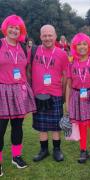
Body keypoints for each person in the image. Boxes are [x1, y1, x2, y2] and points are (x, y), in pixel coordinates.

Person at [0, 15, 36, 176]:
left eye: (17, 28)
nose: (14, 30)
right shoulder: (0, 44)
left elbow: (26, 70)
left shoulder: (23, 48)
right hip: (2, 91)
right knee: (0, 129)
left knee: (17, 126)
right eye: (11, 27)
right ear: (5, 28)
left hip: (19, 91)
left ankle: (16, 156)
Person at [66, 33, 90, 163]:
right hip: (77, 96)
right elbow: (69, 85)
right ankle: (83, 150)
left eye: (84, 44)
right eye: (79, 44)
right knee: (82, 125)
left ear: (89, 46)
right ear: (74, 47)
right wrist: (67, 102)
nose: (82, 47)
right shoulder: (71, 63)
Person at [31, 25, 68, 162]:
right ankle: (44, 150)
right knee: (42, 126)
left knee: (56, 126)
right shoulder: (33, 51)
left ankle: (57, 150)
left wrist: (63, 95)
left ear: (55, 36)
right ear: (40, 36)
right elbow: (28, 70)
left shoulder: (62, 54)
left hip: (55, 94)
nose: (47, 38)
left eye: (50, 35)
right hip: (38, 93)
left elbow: (65, 76)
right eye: (44, 35)